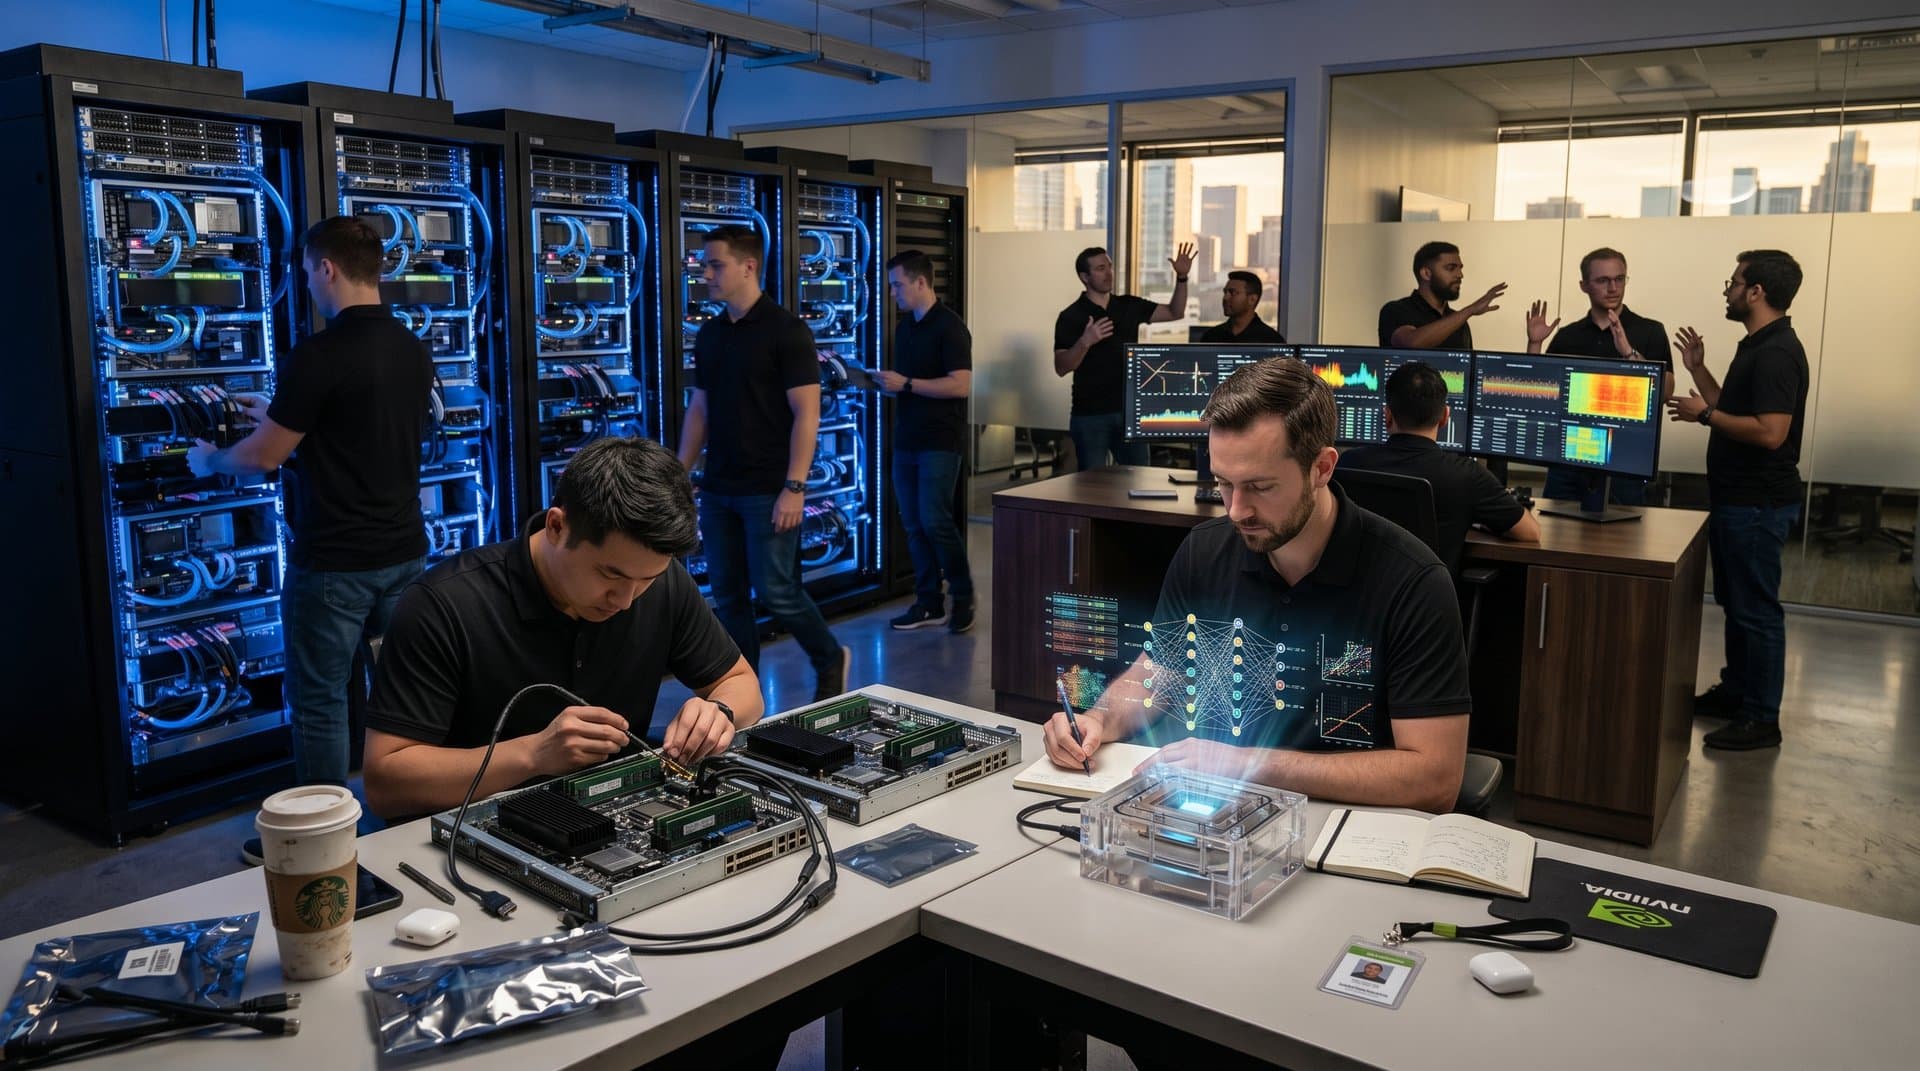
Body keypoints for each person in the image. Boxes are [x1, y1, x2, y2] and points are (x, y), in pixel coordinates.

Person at [1042, 359, 1471, 813]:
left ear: (1322, 468)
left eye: (1260, 486)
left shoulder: (1413, 582)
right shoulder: (1204, 551)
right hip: (1214, 815)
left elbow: (1435, 778)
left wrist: (1246, 764)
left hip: (1346, 825)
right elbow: (1157, 673)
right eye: (1224, 483)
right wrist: (1097, 717)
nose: (1235, 510)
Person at [187, 216, 431, 861]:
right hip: (405, 550)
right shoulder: (411, 347)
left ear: (325, 268)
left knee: (321, 702)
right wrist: (286, 417)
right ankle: (405, 809)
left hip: (335, 564)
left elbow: (262, 459)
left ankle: (321, 838)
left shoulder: (318, 355)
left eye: (304, 271)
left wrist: (209, 458)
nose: (305, 282)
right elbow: (364, 437)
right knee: (402, 692)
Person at [360, 436, 763, 819]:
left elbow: (742, 684)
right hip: (472, 831)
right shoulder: (443, 605)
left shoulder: (663, 582)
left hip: (613, 816)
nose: (625, 600)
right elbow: (385, 783)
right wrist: (534, 754)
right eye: (610, 575)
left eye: (646, 581)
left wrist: (719, 712)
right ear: (556, 527)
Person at [677, 224, 849, 702]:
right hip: (719, 487)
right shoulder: (710, 334)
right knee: (728, 597)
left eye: (715, 264)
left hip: (769, 488)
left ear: (748, 266)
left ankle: (830, 657)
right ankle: (741, 687)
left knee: (777, 592)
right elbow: (700, 409)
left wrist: (795, 487)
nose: (705, 274)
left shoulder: (787, 331)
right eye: (704, 265)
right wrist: (677, 472)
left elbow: (806, 413)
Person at [1666, 250, 1809, 752]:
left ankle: (1761, 719)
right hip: (1737, 501)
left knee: (1758, 613)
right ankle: (1736, 693)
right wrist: (1699, 372)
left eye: (1734, 282)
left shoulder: (1775, 353)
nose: (1727, 289)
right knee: (1737, 605)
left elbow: (1771, 433)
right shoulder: (1757, 345)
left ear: (1756, 292)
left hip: (1758, 504)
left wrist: (1704, 416)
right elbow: (1732, 407)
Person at [1338, 361, 1539, 562]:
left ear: (1387, 416)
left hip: (1358, 592)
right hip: (1428, 593)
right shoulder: (1466, 474)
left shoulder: (1349, 463)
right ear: (1445, 417)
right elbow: (1530, 532)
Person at [1526, 247, 1675, 505]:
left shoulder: (1650, 331)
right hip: (1569, 458)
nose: (1613, 287)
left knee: (1621, 541)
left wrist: (1627, 352)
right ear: (1584, 285)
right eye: (1603, 280)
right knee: (1556, 536)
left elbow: (1664, 393)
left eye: (1620, 279)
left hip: (1625, 461)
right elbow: (1539, 397)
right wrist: (1535, 345)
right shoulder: (1569, 335)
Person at [878, 249, 976, 635]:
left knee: (936, 520)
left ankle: (963, 597)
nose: (893, 293)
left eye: (897, 285)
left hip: (940, 440)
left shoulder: (950, 328)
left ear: (921, 282)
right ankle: (928, 602)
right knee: (914, 523)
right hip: (908, 439)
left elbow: (961, 384)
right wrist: (883, 384)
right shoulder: (905, 328)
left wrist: (906, 384)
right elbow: (910, 384)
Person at [1053, 243, 1197, 469]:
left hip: (1129, 411)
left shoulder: (1128, 305)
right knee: (1092, 487)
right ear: (1085, 277)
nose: (1108, 273)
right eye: (1100, 268)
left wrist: (1181, 277)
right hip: (1090, 416)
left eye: (1109, 267)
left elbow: (1174, 312)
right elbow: (1061, 367)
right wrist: (1085, 341)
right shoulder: (1071, 316)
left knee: (1137, 480)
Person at [1378, 241, 1506, 351]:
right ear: (1426, 273)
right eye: (1451, 268)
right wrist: (1470, 310)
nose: (1460, 275)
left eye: (1460, 268)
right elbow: (1411, 343)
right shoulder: (1395, 310)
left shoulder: (1460, 323)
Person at [1200, 270, 1285, 344]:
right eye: (1225, 292)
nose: (1225, 298)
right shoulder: (1211, 337)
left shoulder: (1271, 340)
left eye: (1232, 293)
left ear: (1252, 299)